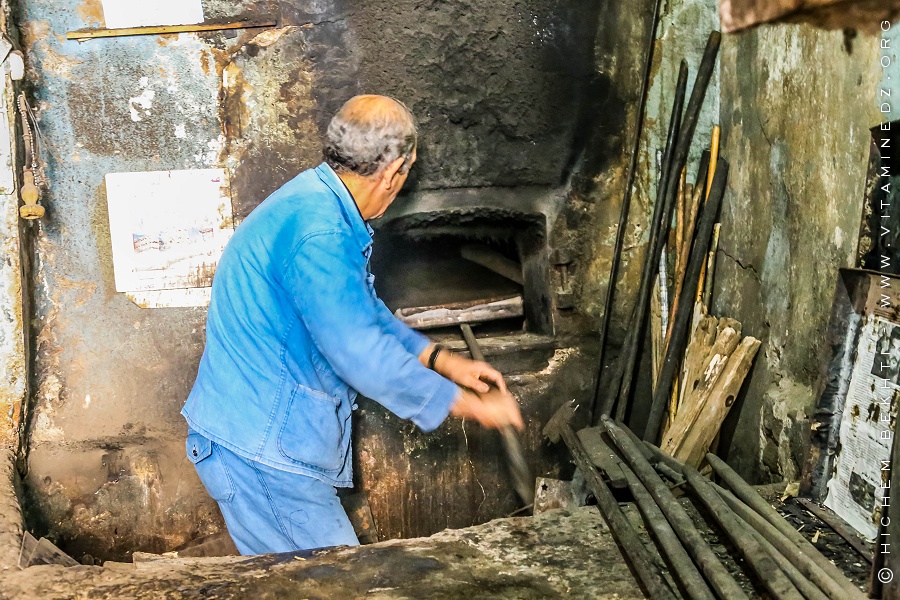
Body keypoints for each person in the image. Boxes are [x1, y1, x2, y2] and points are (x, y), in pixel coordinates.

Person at [181, 95, 524, 555]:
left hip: (265, 442)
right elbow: (360, 352)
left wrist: (440, 359)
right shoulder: (319, 231)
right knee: (336, 585)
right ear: (392, 171)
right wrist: (466, 404)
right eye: (410, 169)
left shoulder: (318, 202)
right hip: (261, 453)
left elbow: (361, 312)